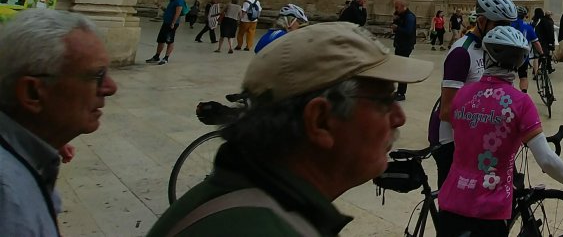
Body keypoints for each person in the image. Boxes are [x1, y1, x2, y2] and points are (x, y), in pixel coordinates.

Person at [148, 23, 432, 236]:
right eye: (384, 101)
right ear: (320, 121)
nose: (399, 117)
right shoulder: (259, 228)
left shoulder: (239, 201)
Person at [437, 26, 563, 236]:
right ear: (520, 61)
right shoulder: (520, 103)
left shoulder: (463, 94)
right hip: (490, 208)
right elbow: (546, 159)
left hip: (452, 199)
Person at [0, 10, 119, 236]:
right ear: (33, 93)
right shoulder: (8, 202)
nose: (111, 88)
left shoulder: (27, 154)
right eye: (96, 76)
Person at [428, 0, 517, 187]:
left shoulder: (494, 50)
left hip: (478, 137)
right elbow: (446, 110)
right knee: (453, 205)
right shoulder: (462, 52)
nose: (505, 31)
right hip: (451, 139)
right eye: (500, 25)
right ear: (482, 21)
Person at [147, 0, 188, 65]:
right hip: (166, 23)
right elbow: (168, 11)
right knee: (161, 40)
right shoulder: (172, 0)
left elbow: (177, 13)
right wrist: (159, 5)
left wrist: (173, 23)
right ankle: (157, 56)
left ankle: (166, 57)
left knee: (169, 40)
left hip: (172, 24)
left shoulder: (179, 1)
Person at [511, 8, 543, 92]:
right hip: (523, 55)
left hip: (509, 55)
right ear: (524, 16)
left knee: (507, 76)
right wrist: (542, 53)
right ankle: (523, 93)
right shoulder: (528, 27)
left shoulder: (509, 25)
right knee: (523, 76)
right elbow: (536, 43)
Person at [391, 0, 417, 101]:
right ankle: (399, 90)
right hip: (400, 45)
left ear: (403, 6)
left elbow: (408, 31)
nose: (395, 10)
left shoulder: (409, 16)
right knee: (399, 68)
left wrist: (397, 28)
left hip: (405, 46)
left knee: (402, 69)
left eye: (397, 7)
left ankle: (402, 92)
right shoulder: (401, 15)